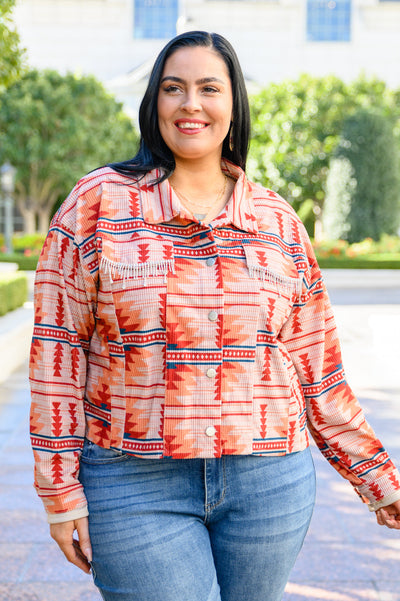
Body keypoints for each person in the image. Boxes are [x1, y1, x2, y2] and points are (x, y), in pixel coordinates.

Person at [29, 30, 400, 601]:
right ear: (154, 101)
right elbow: (57, 351)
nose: (191, 104)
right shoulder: (96, 203)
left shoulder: (278, 222)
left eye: (209, 88)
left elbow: (319, 373)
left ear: (233, 103)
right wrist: (59, 491)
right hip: (133, 480)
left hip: (269, 483)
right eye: (173, 88)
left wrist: (379, 480)